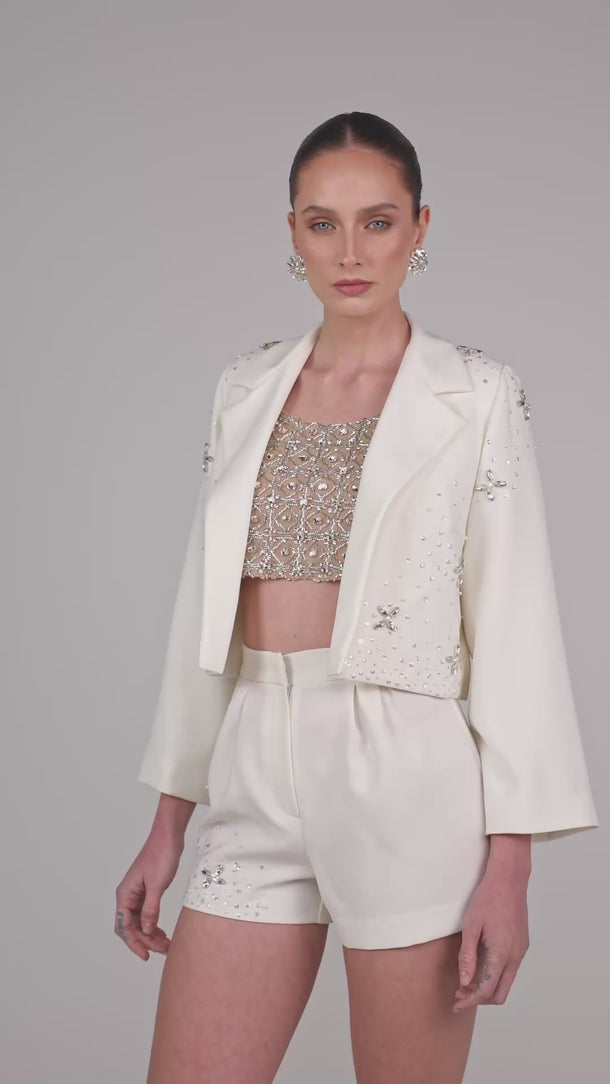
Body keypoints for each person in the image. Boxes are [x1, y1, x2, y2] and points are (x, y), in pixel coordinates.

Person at [116, 112, 599, 1084]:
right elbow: (205, 610)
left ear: (420, 227)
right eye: (322, 223)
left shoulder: (476, 394)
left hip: (406, 773)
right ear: (292, 233)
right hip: (253, 759)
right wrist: (169, 821)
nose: (350, 251)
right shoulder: (246, 386)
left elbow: (515, 626)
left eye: (377, 222)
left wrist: (510, 866)